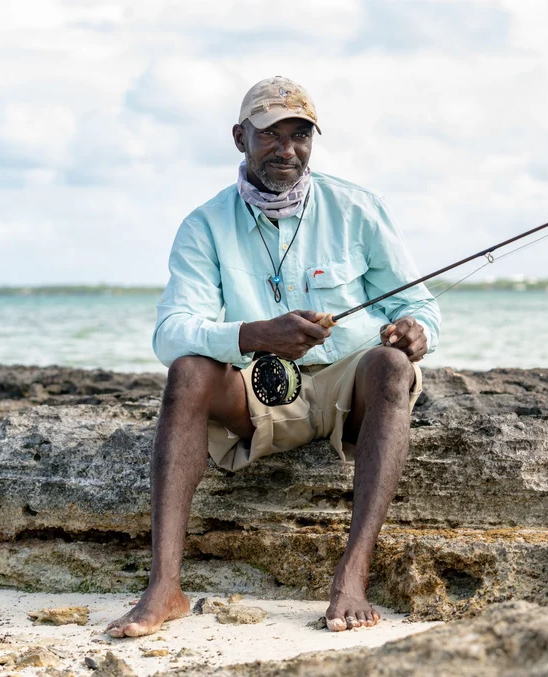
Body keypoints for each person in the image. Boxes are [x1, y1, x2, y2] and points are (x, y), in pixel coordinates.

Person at [105, 76, 440, 637]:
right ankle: (164, 588)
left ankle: (350, 580)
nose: (287, 149)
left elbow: (420, 304)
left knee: (392, 366)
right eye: (270, 135)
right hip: (257, 391)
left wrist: (416, 332)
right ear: (240, 138)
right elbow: (170, 333)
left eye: (300, 135)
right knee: (187, 371)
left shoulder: (358, 208)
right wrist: (255, 335)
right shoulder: (204, 225)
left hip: (346, 387)